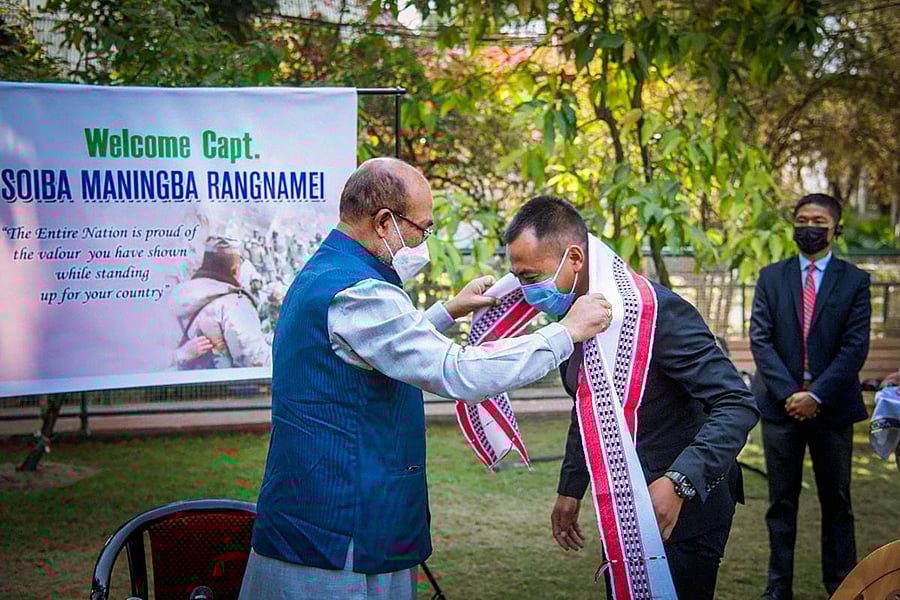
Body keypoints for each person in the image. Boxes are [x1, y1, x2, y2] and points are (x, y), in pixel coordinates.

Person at [240, 159, 613, 600]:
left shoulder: (331, 271)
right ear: (384, 223)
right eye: (423, 229)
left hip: (331, 512)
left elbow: (376, 349)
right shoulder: (361, 292)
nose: (424, 244)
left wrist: (449, 310)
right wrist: (564, 333)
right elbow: (458, 371)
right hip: (338, 528)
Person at [503, 196, 758, 600]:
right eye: (518, 277)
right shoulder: (578, 316)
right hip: (620, 506)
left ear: (574, 258)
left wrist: (679, 482)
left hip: (681, 511)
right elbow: (589, 406)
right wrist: (571, 488)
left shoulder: (654, 314)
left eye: (532, 277)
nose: (526, 290)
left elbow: (737, 403)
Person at [750, 193, 872, 600]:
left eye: (818, 221)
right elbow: (761, 340)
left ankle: (841, 586)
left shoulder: (856, 280)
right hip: (781, 409)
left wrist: (816, 394)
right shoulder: (771, 277)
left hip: (832, 408)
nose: (809, 227)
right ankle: (777, 588)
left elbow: (855, 347)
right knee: (780, 503)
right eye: (802, 219)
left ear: (836, 228)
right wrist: (791, 394)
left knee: (837, 503)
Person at [173, 237, 271, 369]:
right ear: (235, 271)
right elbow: (255, 360)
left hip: (184, 385)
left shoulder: (176, 297)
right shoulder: (234, 305)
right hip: (223, 387)